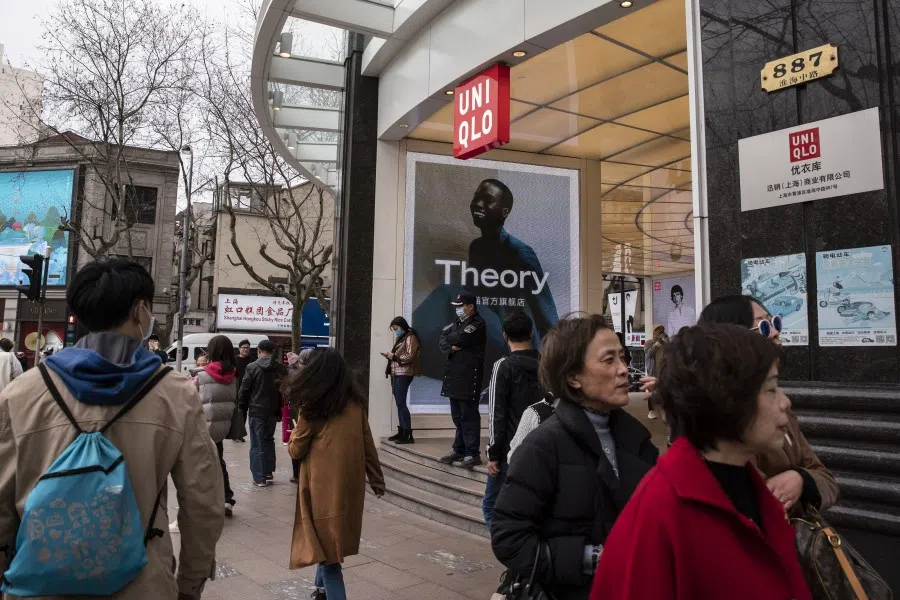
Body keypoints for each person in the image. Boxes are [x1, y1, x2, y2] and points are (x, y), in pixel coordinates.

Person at [0, 258, 223, 599]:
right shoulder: (175, 394)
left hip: (38, 585)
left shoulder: (21, 393)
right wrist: (190, 584)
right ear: (139, 311)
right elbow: (203, 502)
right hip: (143, 584)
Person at [590, 324, 812, 600]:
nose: (785, 402)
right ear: (726, 400)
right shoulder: (660, 514)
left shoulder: (752, 488)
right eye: (771, 389)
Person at [491, 315, 658, 600]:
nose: (623, 369)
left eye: (622, 357)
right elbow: (509, 538)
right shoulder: (542, 448)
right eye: (609, 360)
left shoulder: (637, 439)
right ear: (573, 377)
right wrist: (591, 558)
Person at [698, 295, 839, 511]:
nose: (774, 333)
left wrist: (801, 480)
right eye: (763, 326)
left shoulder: (780, 406)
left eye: (774, 322)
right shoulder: (719, 421)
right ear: (731, 340)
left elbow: (826, 479)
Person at [284, 348, 385, 600]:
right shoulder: (355, 405)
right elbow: (368, 444)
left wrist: (293, 435)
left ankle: (328, 591)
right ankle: (320, 590)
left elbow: (296, 451)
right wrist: (376, 479)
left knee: (329, 557)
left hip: (321, 490)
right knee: (328, 541)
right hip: (349, 489)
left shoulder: (311, 406)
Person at [483, 310, 542, 530]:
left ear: (504, 336)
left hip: (510, 450)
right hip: (542, 447)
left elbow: (496, 413)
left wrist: (493, 454)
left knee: (491, 507)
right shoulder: (545, 364)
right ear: (531, 333)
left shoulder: (503, 366)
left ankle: (512, 546)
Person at [439, 292, 487, 469]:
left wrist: (453, 339)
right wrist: (452, 346)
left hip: (468, 378)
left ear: (470, 306)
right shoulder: (458, 323)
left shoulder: (477, 323)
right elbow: (442, 339)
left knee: (469, 417)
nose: (458, 309)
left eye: (461, 306)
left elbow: (459, 338)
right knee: (458, 417)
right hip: (454, 377)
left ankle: (472, 453)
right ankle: (459, 450)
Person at [194, 335, 238, 518]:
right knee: (218, 461)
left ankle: (204, 502)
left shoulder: (202, 375)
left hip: (203, 426)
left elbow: (190, 398)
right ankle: (226, 499)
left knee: (199, 465)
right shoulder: (234, 376)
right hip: (222, 427)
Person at [239, 339, 287, 487]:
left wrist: (242, 407)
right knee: (268, 440)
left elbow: (245, 390)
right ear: (273, 352)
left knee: (256, 443)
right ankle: (268, 471)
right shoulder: (280, 368)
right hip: (273, 410)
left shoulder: (252, 367)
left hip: (256, 409)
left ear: (259, 351)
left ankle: (259, 477)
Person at [381, 316, 421, 445]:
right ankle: (403, 431)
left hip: (404, 373)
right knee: (400, 403)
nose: (395, 331)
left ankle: (407, 434)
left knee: (401, 403)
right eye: (393, 329)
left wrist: (394, 357)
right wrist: (391, 356)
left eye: (396, 328)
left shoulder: (410, 337)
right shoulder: (402, 338)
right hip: (397, 373)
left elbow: (410, 356)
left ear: (402, 326)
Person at [231, 339, 254, 443]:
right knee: (237, 413)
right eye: (243, 348)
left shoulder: (253, 360)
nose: (245, 350)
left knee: (244, 413)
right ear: (239, 349)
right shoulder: (234, 361)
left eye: (247, 348)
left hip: (250, 391)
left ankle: (240, 434)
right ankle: (235, 433)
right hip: (237, 390)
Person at [644, 325, 667, 419]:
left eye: (662, 331)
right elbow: (649, 354)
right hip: (653, 371)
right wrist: (657, 344)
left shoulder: (665, 344)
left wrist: (667, 340)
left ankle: (663, 411)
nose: (661, 333)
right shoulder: (648, 343)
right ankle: (651, 411)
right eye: (659, 331)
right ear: (654, 332)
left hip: (663, 372)